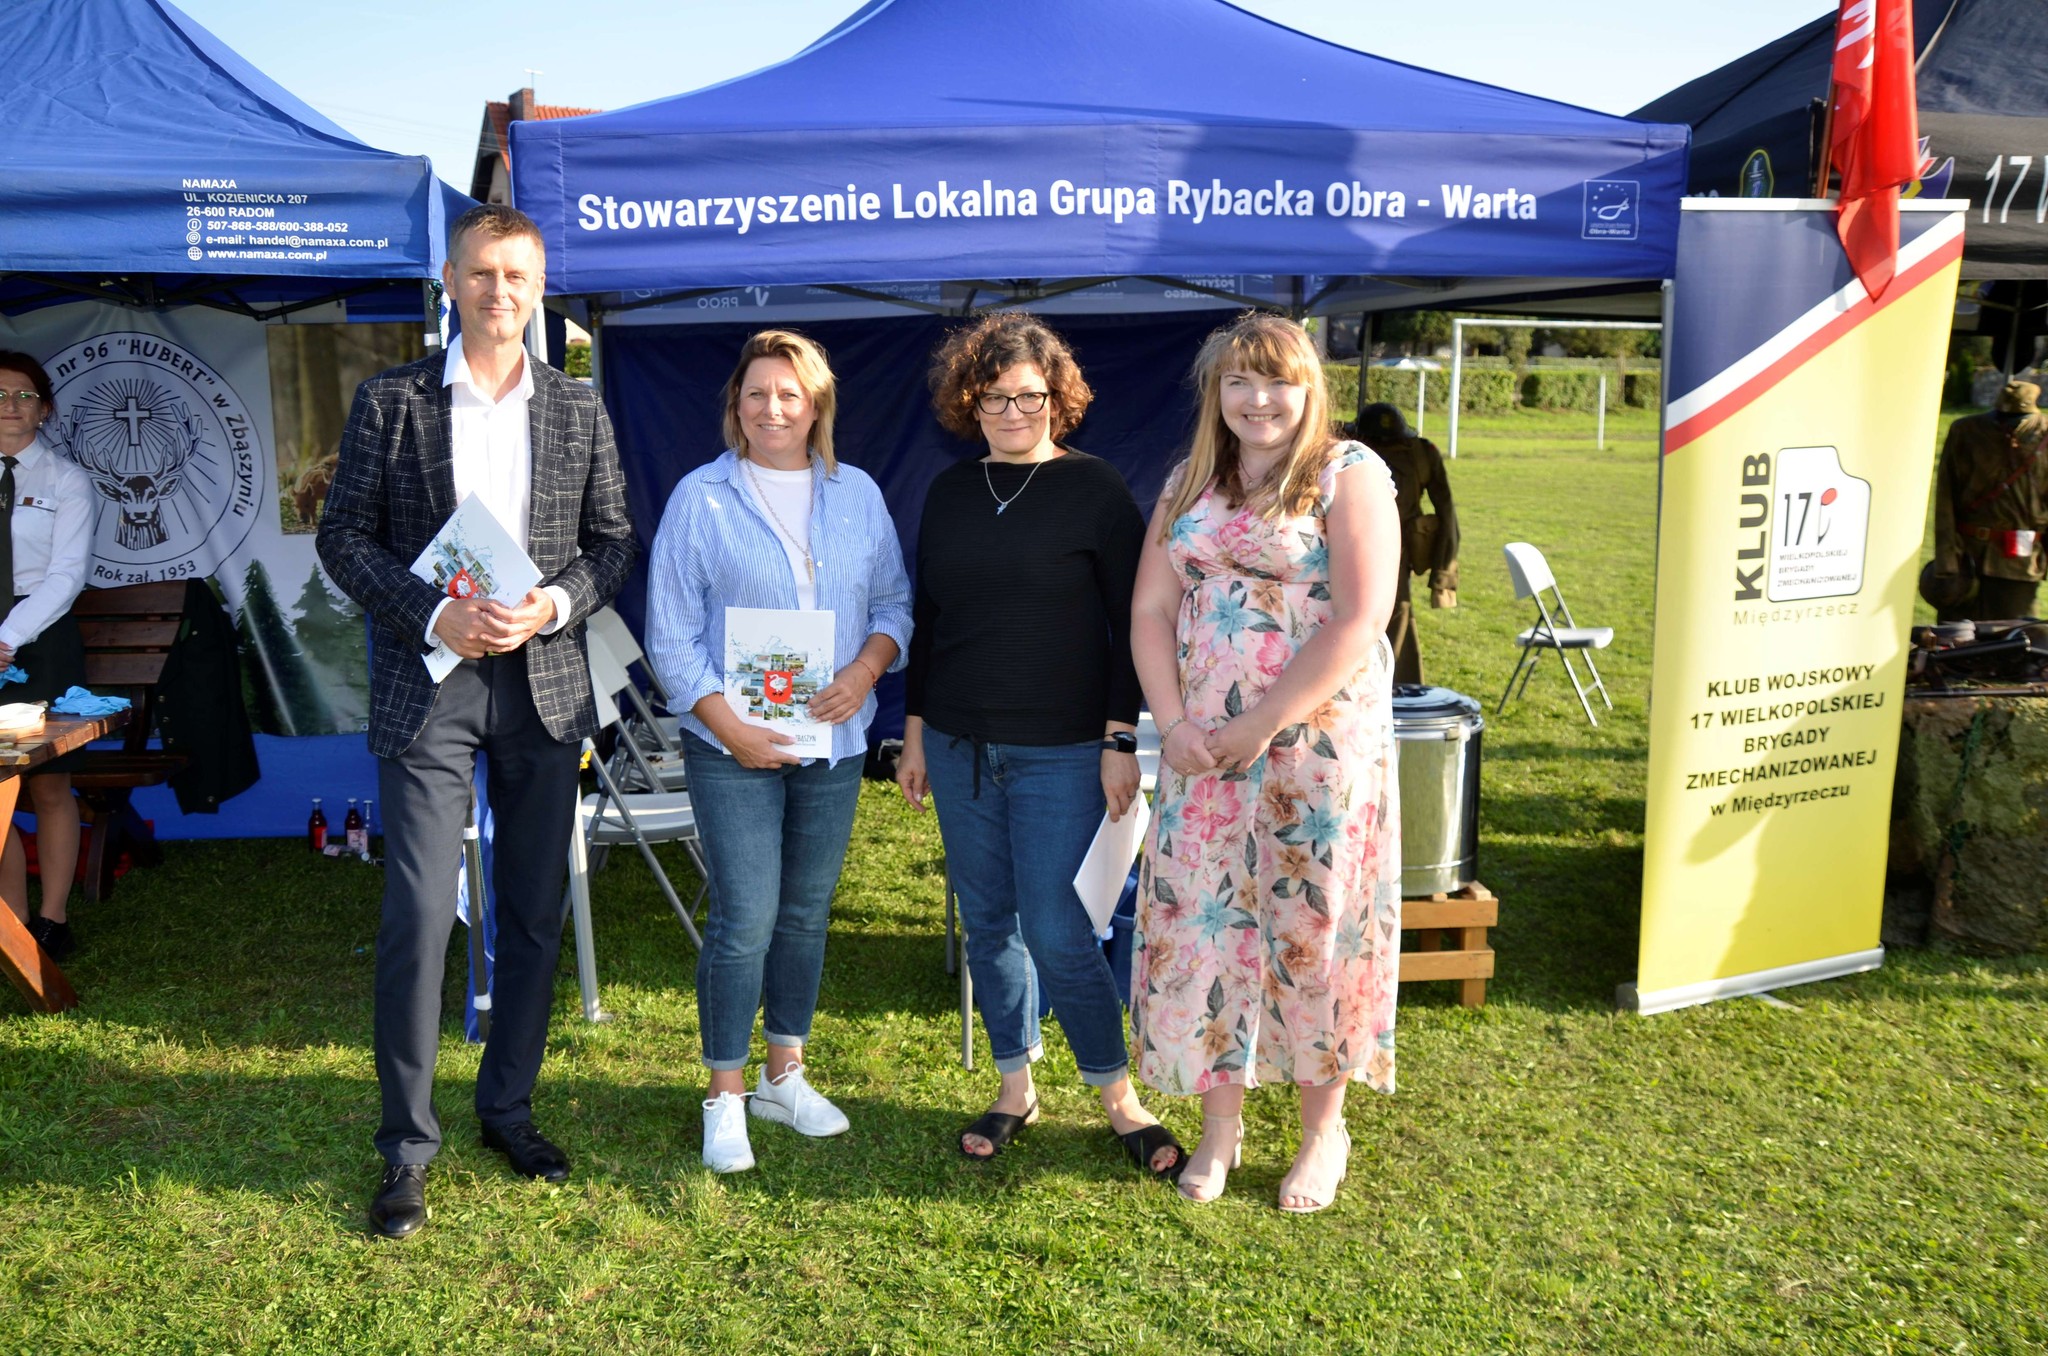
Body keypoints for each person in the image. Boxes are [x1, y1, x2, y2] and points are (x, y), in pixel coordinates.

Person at [316, 204, 636, 1240]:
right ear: (451, 282)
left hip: (542, 688)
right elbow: (343, 537)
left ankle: (508, 1109)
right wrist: (435, 609)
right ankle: (405, 1149)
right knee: (416, 914)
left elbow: (612, 543)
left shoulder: (578, 408)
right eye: (484, 273)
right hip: (431, 683)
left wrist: (550, 604)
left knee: (533, 913)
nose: (502, 293)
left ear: (540, 290)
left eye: (519, 277)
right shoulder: (392, 401)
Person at [896, 312, 1183, 1181]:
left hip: (1064, 750)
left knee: (1059, 928)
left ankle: (1117, 1095)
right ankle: (1015, 1084)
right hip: (955, 745)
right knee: (988, 923)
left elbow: (1135, 623)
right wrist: (913, 733)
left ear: (1059, 398)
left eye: (1031, 395)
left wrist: (1120, 738)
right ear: (969, 403)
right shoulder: (949, 492)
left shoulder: (1096, 490)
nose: (1014, 411)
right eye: (995, 397)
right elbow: (930, 621)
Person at [1128, 312, 1402, 1212]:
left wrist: (1265, 725)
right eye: (1239, 381)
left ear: (1309, 385)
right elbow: (1150, 612)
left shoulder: (1348, 474)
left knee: (1310, 927)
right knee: (1209, 926)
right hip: (1202, 754)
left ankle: (1325, 1132)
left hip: (1315, 748)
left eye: (1277, 379)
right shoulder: (1188, 481)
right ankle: (1222, 1128)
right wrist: (1172, 724)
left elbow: (1361, 620)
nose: (1258, 399)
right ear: (1217, 392)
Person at [645, 329, 912, 1174]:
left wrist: (868, 667)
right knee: (745, 918)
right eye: (757, 394)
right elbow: (672, 637)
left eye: (789, 394)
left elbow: (896, 605)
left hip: (832, 743)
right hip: (730, 746)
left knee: (804, 913)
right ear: (736, 406)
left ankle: (783, 1075)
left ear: (816, 405)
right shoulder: (701, 498)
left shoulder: (858, 495)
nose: (772, 409)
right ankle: (725, 1094)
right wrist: (730, 728)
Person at [0, 350, 94, 961]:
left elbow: (66, 577)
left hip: (42, 638)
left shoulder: (66, 480)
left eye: (23, 396)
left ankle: (53, 921)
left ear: (45, 408)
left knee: (50, 786)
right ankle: (12, 918)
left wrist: (6, 638)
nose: (9, 406)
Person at [1355, 402, 1459, 684]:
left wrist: (1443, 576)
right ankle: (1397, 687)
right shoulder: (1421, 453)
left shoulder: (1420, 453)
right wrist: (1443, 577)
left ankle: (1395, 688)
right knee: (1395, 615)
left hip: (1382, 548)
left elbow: (1446, 514)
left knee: (1394, 616)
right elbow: (1447, 514)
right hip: (1380, 550)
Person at [1931, 380, 2048, 622]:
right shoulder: (1965, 431)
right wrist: (1947, 561)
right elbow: (1945, 497)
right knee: (1954, 642)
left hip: (2020, 561)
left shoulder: (2044, 434)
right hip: (1966, 558)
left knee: (2013, 642)